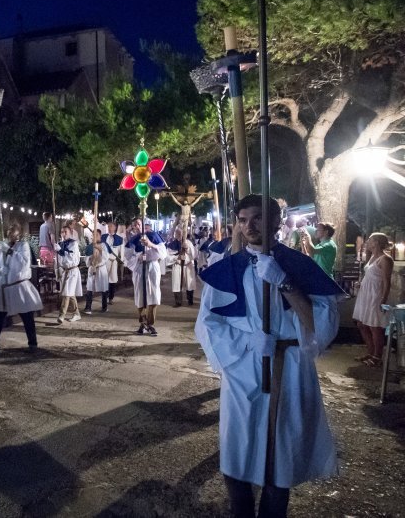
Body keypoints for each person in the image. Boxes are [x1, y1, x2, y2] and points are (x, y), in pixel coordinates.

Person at [195, 194, 344, 517]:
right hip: (242, 370)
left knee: (280, 464)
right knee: (236, 459)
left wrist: (285, 282)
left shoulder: (296, 265)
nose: (250, 226)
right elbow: (208, 324)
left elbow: (322, 323)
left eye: (258, 218)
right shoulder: (227, 268)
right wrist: (248, 341)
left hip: (288, 368)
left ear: (276, 222)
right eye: (244, 219)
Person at [0, 222, 44, 356]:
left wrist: (10, 252)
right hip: (4, 288)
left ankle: (32, 343)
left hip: (19, 287)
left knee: (27, 316)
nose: (10, 232)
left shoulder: (23, 246)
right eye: (9, 229)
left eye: (13, 230)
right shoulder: (2, 248)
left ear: (19, 233)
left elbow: (24, 263)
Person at [352, 232, 394, 367]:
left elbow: (387, 282)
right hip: (365, 294)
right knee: (361, 324)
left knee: (374, 326)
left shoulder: (385, 259)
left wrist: (383, 299)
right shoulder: (371, 257)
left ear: (376, 242)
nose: (367, 242)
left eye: (370, 240)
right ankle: (370, 352)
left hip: (375, 295)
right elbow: (370, 275)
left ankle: (377, 356)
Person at [124, 222, 167, 336]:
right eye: (135, 225)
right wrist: (138, 257)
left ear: (144, 225)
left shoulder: (154, 236)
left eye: (139, 224)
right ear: (133, 228)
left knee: (153, 295)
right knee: (140, 296)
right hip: (139, 268)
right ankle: (142, 323)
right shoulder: (133, 240)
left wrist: (150, 244)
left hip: (152, 267)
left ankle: (151, 324)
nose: (137, 226)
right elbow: (127, 257)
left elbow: (163, 252)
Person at [55, 225, 82, 323]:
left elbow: (71, 257)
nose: (63, 234)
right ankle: (76, 313)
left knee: (67, 293)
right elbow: (58, 260)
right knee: (70, 293)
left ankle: (61, 315)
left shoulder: (73, 244)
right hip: (64, 271)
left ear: (70, 232)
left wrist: (60, 251)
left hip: (72, 271)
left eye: (65, 231)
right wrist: (57, 271)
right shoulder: (60, 244)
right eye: (62, 232)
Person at [167, 229, 196, 307]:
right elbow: (168, 257)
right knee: (177, 284)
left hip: (188, 265)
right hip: (177, 266)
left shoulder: (189, 243)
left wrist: (187, 249)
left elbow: (194, 255)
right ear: (175, 234)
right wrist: (177, 257)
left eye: (180, 233)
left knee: (190, 284)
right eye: (177, 233)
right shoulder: (172, 244)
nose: (179, 235)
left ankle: (190, 300)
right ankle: (178, 302)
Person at [84, 229, 109, 314]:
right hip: (92, 268)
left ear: (100, 236)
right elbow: (86, 259)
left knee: (103, 288)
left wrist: (100, 249)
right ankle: (88, 307)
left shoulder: (103, 245)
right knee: (90, 288)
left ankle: (104, 307)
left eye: (97, 235)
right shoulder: (89, 247)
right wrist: (91, 258)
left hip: (101, 269)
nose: (94, 237)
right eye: (93, 235)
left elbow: (106, 256)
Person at [102, 222, 123, 304]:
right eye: (108, 226)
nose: (109, 227)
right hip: (105, 260)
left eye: (111, 226)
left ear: (115, 227)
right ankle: (105, 296)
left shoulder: (119, 238)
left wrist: (121, 260)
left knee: (112, 280)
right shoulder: (103, 237)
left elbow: (121, 251)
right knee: (104, 279)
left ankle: (111, 297)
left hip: (114, 261)